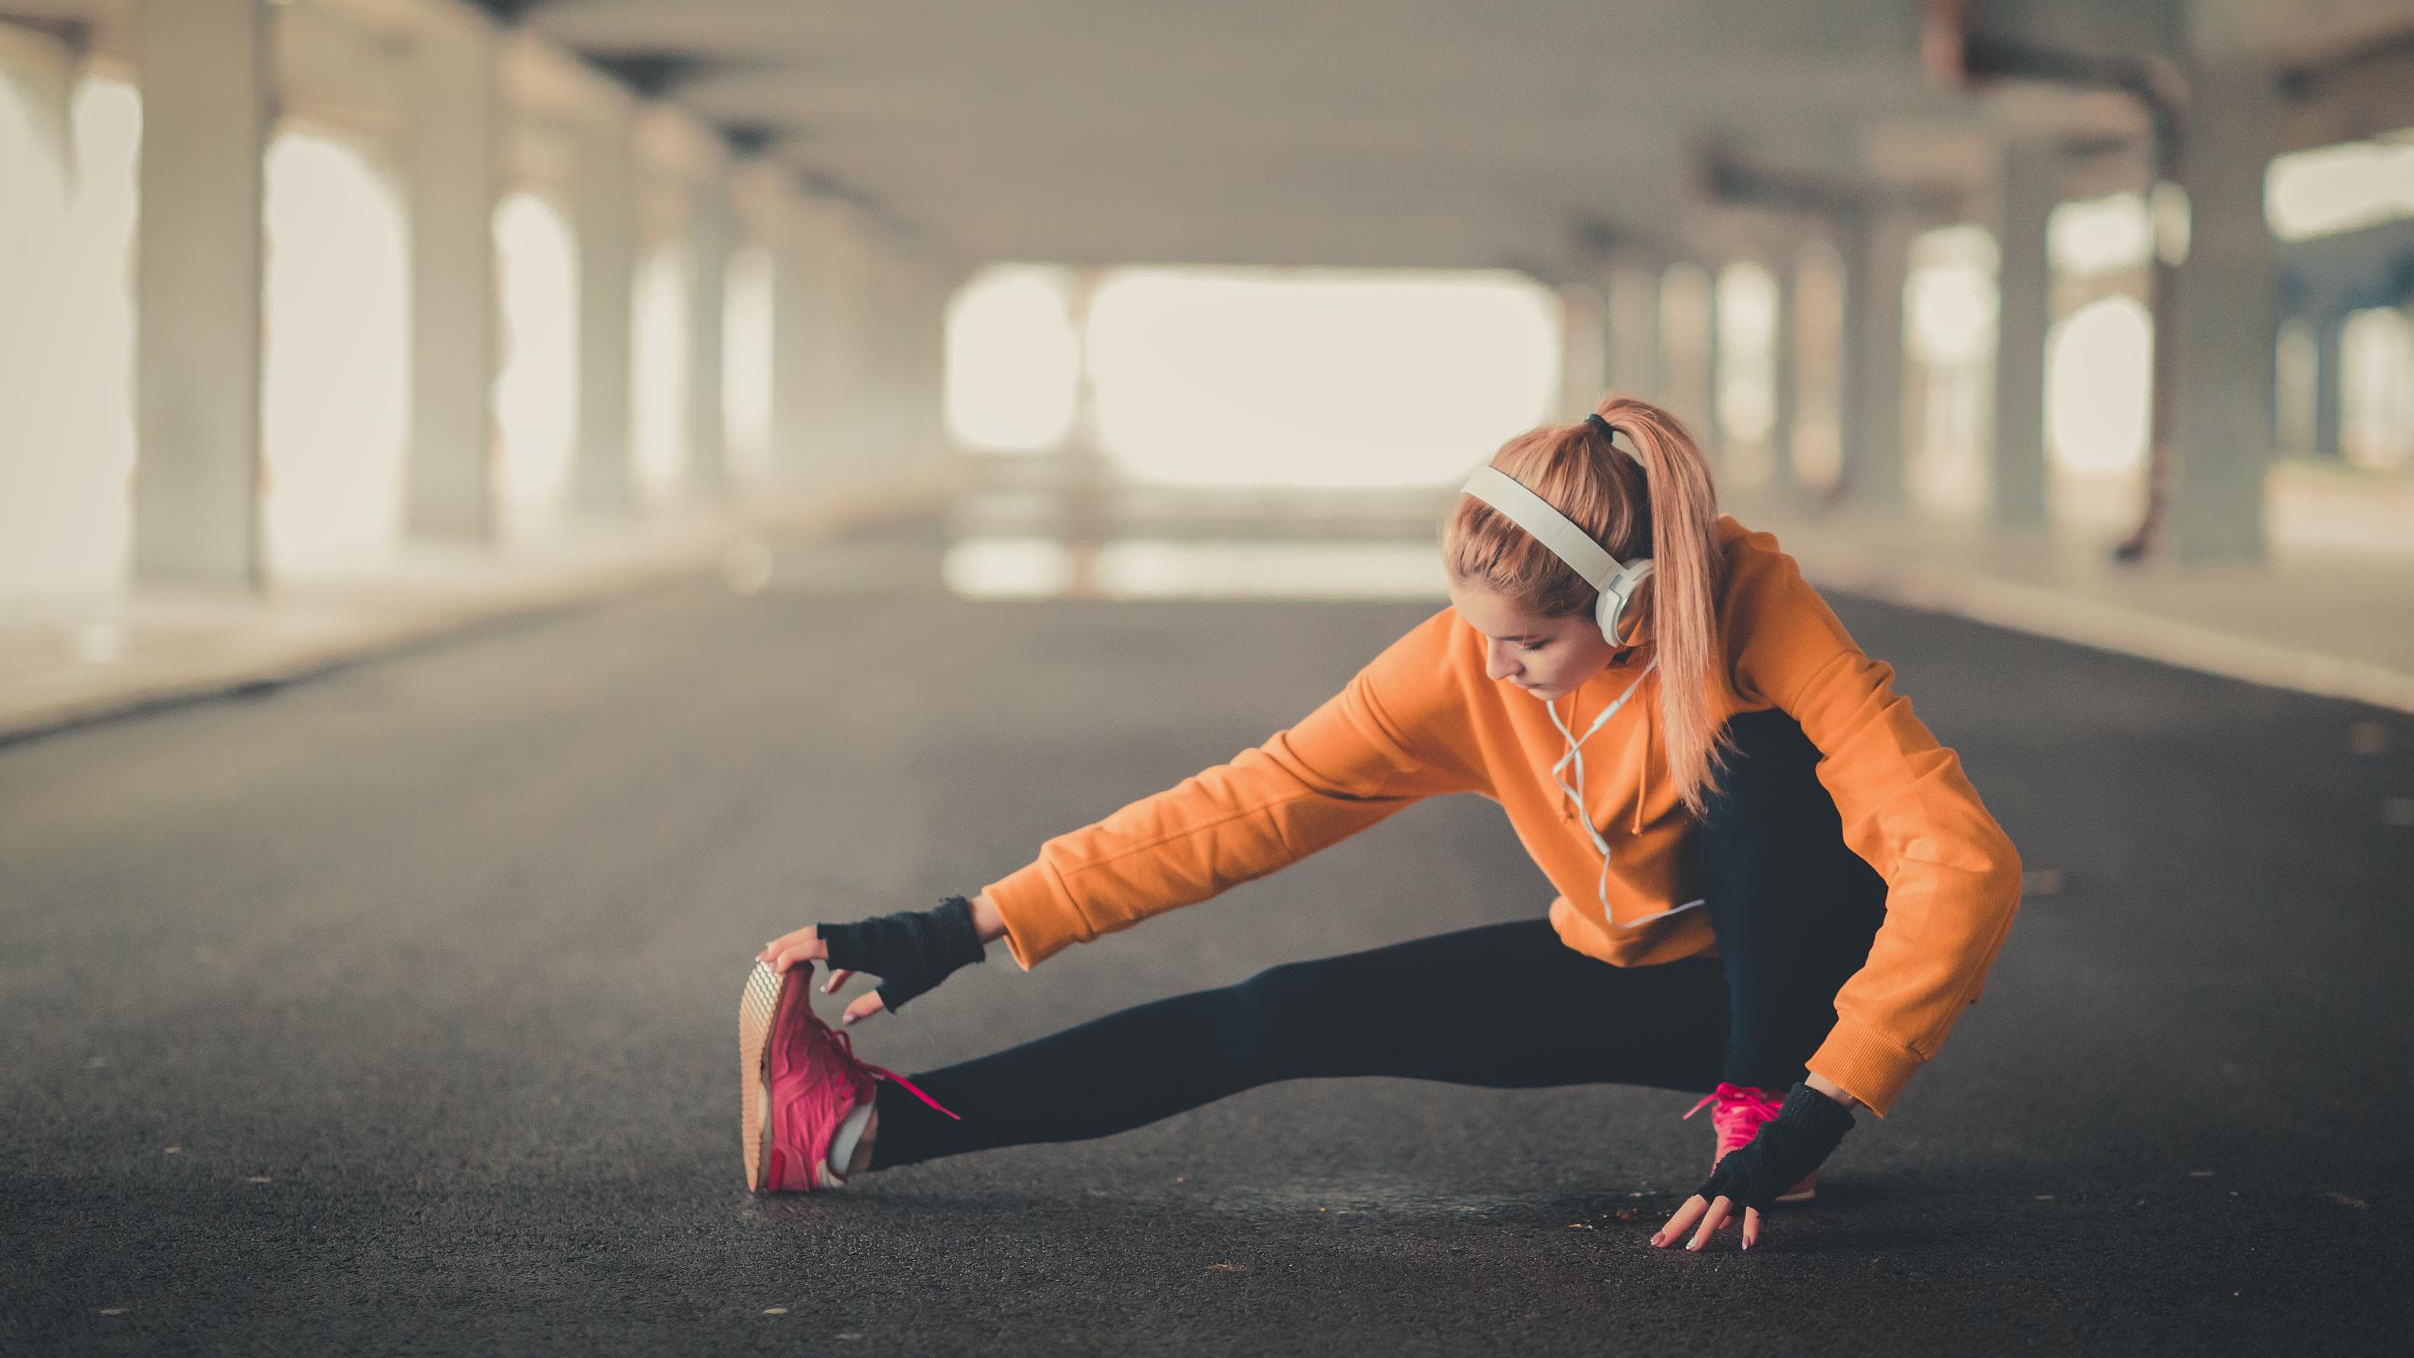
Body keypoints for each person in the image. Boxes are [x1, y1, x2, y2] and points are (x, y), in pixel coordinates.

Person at [744, 395, 2023, 1252]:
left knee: (1749, 756)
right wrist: (957, 927)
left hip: (1807, 991)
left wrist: (1820, 1100)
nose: (1497, 667)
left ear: (1630, 606)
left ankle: (1753, 1108)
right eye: (1477, 631)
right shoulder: (1466, 664)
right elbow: (1252, 802)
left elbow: (1961, 859)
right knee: (1279, 1007)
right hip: (1634, 967)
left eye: (1530, 640)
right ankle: (861, 1130)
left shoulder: (1753, 609)